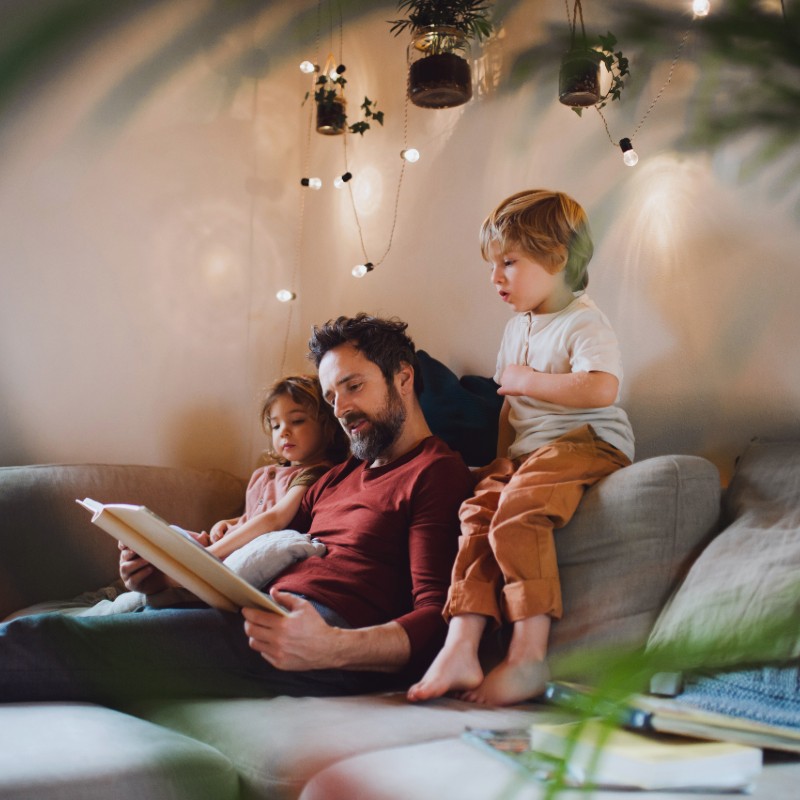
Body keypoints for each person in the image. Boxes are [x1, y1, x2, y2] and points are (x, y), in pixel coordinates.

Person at [0, 314, 474, 704]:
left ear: (404, 378)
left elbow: (436, 617)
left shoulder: (435, 471)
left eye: (353, 386)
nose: (341, 408)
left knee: (47, 640)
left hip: (324, 644)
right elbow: (260, 534)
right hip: (258, 615)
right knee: (60, 629)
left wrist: (333, 648)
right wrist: (163, 572)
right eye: (331, 396)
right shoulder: (338, 475)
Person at [408, 189, 635, 706]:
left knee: (518, 514)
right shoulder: (516, 329)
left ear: (558, 257)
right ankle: (461, 644)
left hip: (588, 441)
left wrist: (529, 379)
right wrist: (496, 460)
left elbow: (601, 388)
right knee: (477, 513)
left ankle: (529, 655)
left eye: (509, 262)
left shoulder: (583, 321)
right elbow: (509, 409)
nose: (496, 278)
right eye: (493, 265)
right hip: (532, 450)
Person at [87, 374, 348, 615]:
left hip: (233, 555)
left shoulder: (314, 473)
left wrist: (211, 554)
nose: (284, 432)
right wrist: (230, 523)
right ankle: (129, 582)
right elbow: (254, 515)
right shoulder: (267, 474)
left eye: (298, 421)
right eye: (276, 425)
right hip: (227, 546)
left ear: (328, 426)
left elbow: (276, 518)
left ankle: (152, 584)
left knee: (176, 549)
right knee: (164, 533)